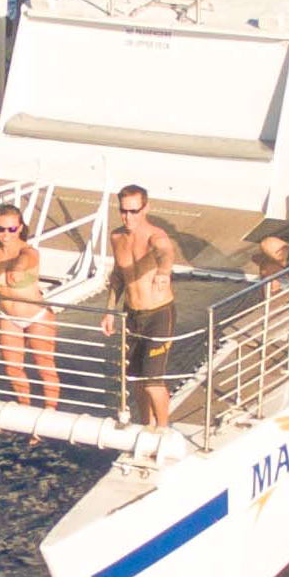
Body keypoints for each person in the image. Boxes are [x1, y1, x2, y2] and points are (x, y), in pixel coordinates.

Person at [100, 183, 182, 429]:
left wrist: (164, 272)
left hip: (159, 314)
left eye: (134, 211)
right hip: (131, 314)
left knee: (153, 380)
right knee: (135, 379)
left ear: (146, 208)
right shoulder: (117, 237)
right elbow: (118, 276)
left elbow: (165, 252)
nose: (128, 217)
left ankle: (163, 430)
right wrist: (110, 311)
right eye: (124, 211)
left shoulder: (156, 236)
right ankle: (146, 425)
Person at [0, 204, 60, 410]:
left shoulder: (29, 252)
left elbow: (26, 260)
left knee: (45, 367)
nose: (6, 234)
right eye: (1, 229)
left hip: (37, 316)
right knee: (12, 369)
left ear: (20, 228)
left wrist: (17, 268)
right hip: (8, 317)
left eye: (11, 229)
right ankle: (24, 407)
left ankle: (50, 412)